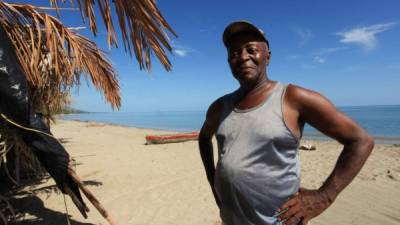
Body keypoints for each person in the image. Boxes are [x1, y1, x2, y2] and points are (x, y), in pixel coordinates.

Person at [198, 21, 374, 225]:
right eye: (235, 52)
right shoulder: (219, 107)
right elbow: (203, 137)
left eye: (251, 49)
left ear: (268, 57)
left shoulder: (293, 98)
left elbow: (361, 141)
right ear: (229, 61)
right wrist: (212, 179)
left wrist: (324, 197)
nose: (243, 57)